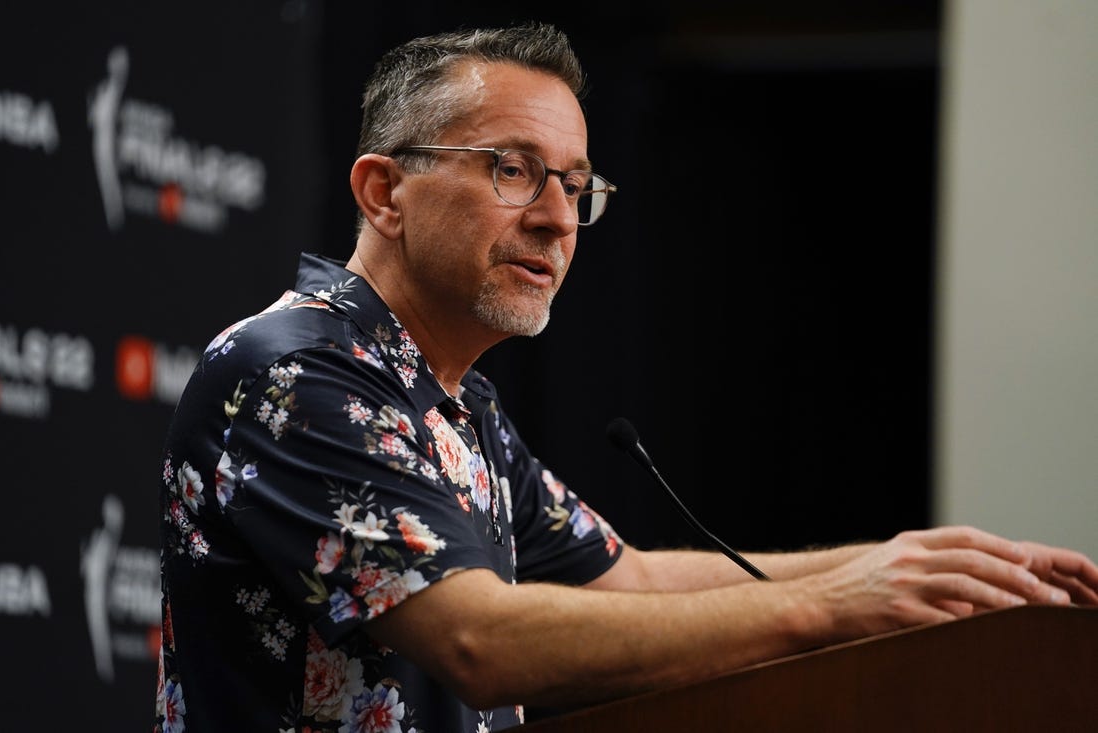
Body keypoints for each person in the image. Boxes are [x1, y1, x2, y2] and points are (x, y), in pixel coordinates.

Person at [154, 21, 1098, 733]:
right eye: (514, 170)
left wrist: (914, 567)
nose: (559, 220)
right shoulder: (294, 376)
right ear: (383, 191)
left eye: (575, 186)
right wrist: (833, 605)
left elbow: (631, 580)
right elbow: (482, 641)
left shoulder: (457, 403)